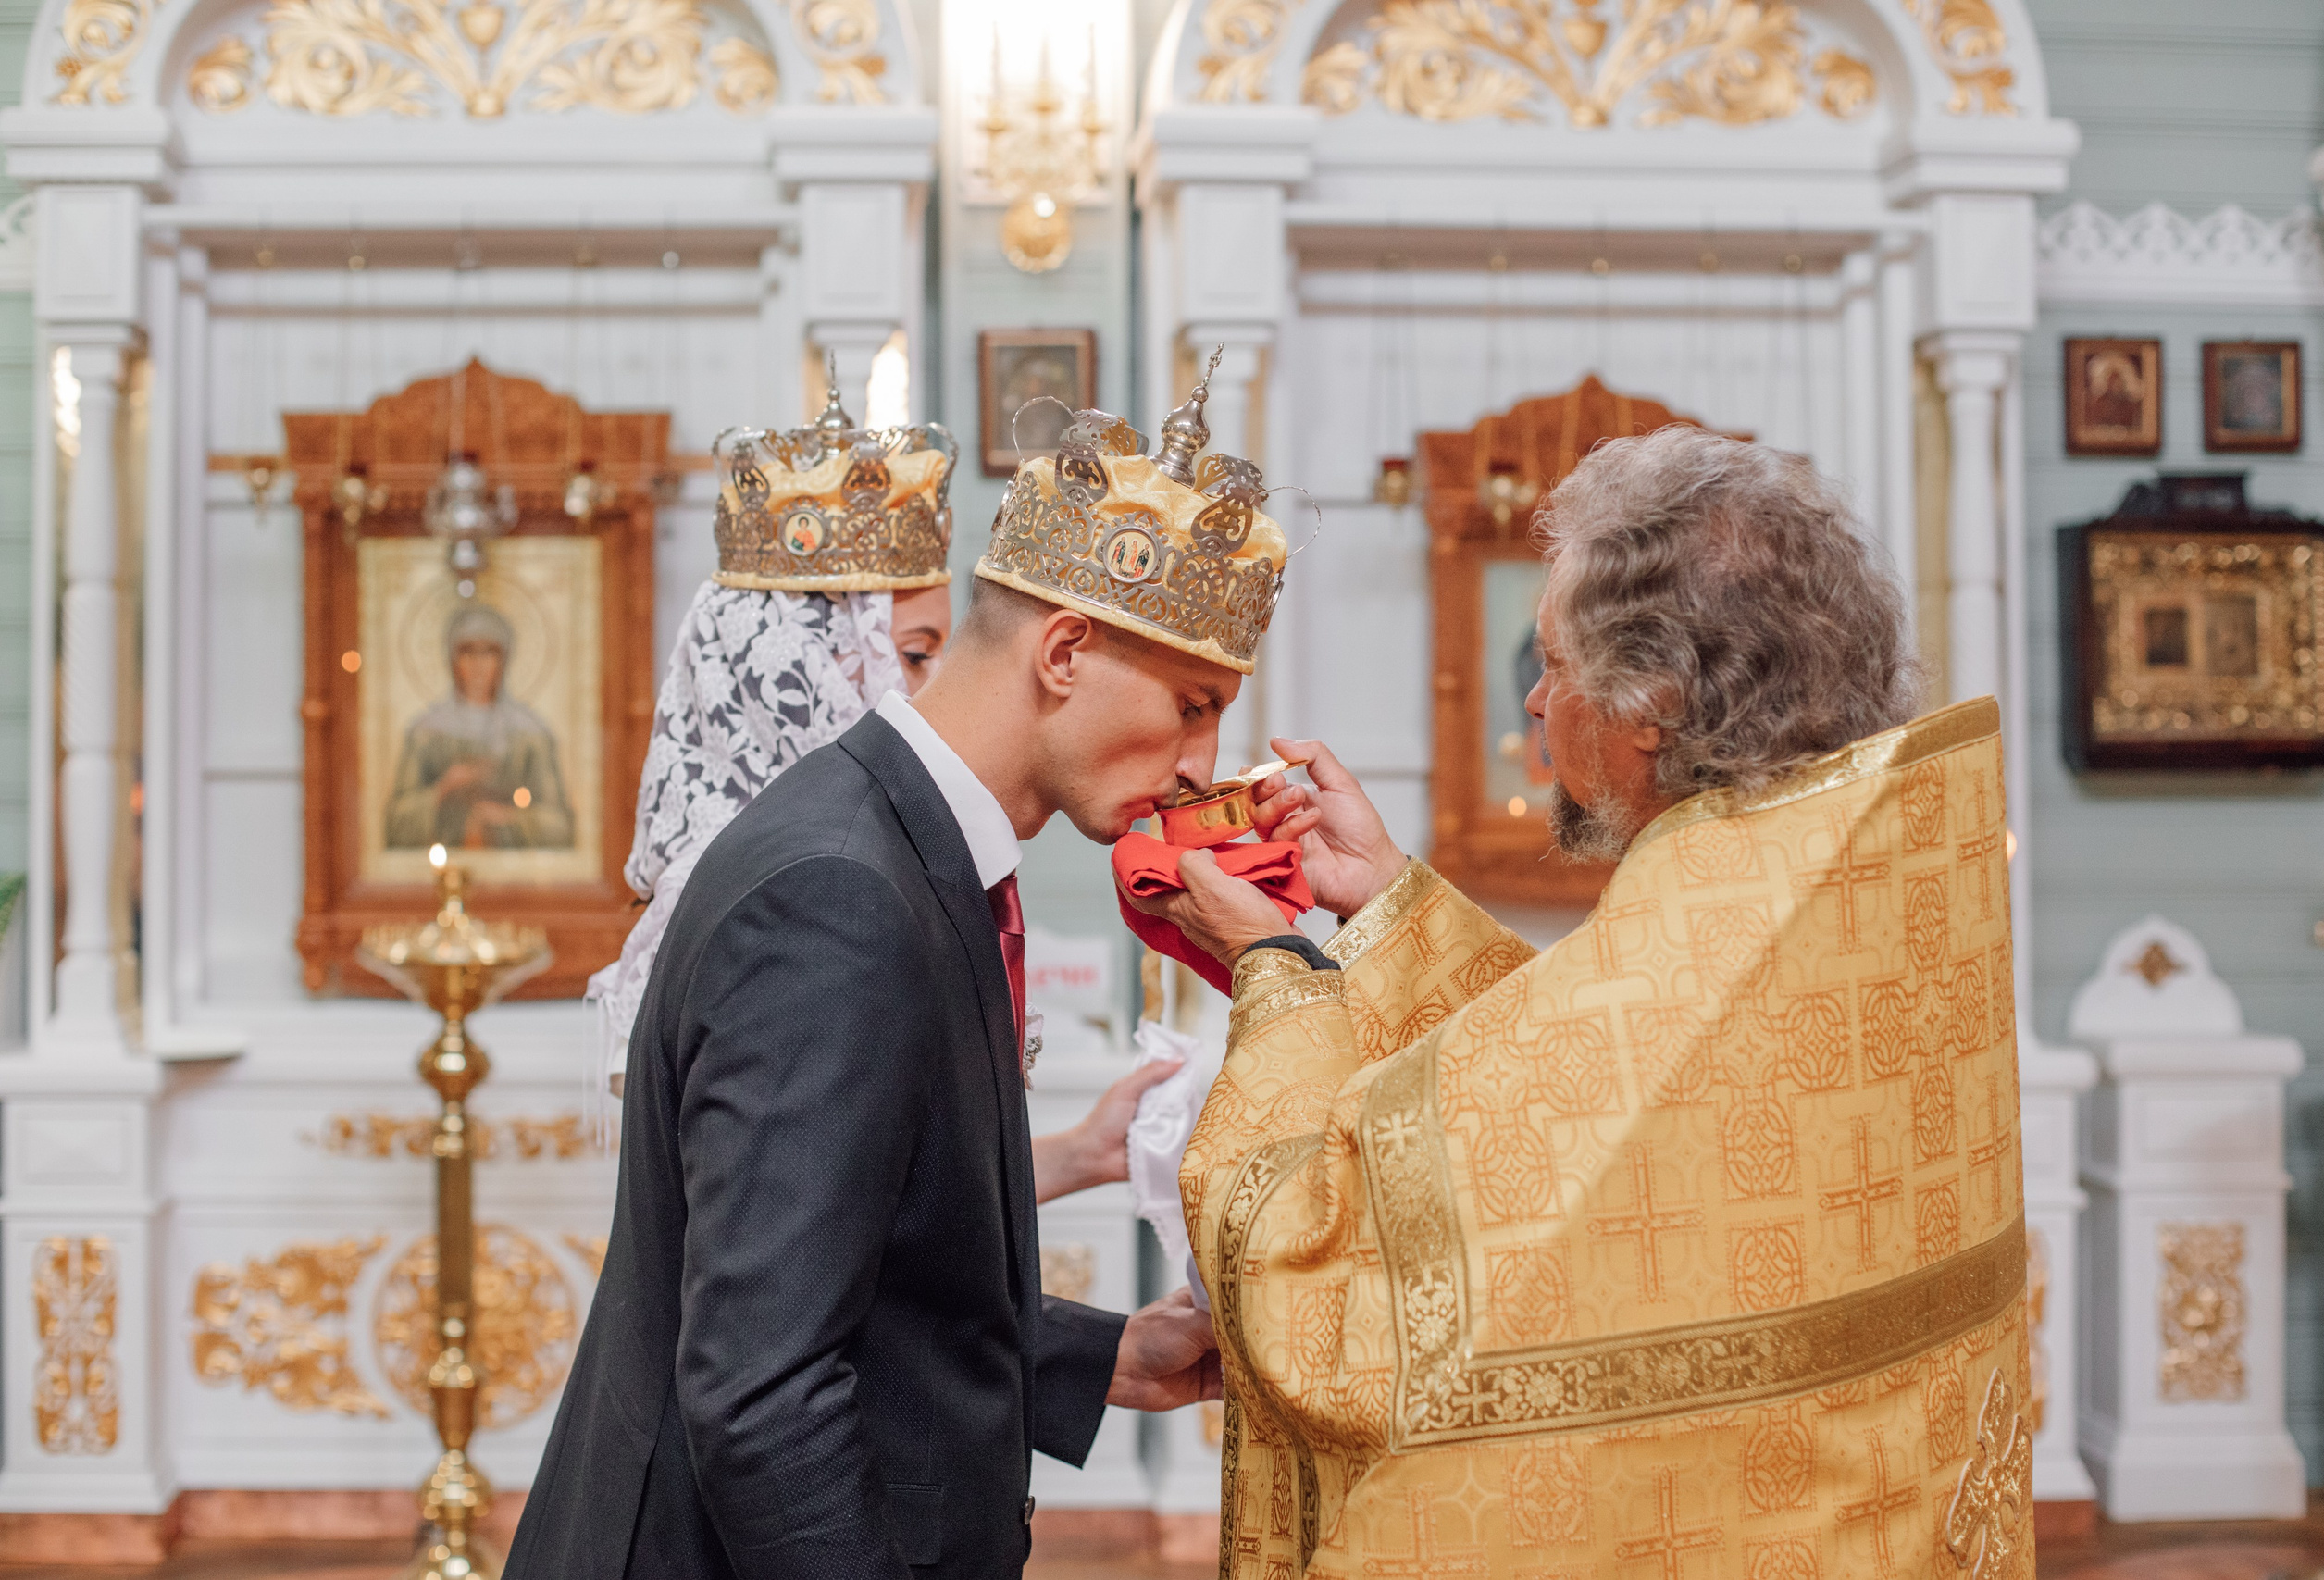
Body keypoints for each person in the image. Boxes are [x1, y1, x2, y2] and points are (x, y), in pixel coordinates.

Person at [1133, 426, 2034, 1578]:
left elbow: (1318, 1285)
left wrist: (1277, 968)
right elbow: (1605, 1092)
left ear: (1648, 700)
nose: (1538, 699)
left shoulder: (1725, 938)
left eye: (1554, 665)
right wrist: (1390, 910)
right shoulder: (1861, 917)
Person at [509, 363, 1283, 1579]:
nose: (1202, 762)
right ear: (1067, 649)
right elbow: (762, 1390)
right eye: (1193, 704)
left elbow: (865, 1277)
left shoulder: (900, 844)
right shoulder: (841, 896)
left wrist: (1101, 1355)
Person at [585, 376, 1175, 1196]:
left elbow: (861, 1198)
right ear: (793, 665)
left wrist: (1078, 1154)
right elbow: (778, 1276)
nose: (936, 693)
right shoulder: (808, 891)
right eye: (914, 653)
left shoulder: (856, 860)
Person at [384, 602, 575, 850]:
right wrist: (444, 788)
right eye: (468, 652)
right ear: (452, 659)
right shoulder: (426, 734)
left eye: (489, 652)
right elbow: (396, 825)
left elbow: (560, 827)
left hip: (514, 874)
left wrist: (511, 818)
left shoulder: (530, 735)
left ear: (504, 660)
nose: (478, 664)